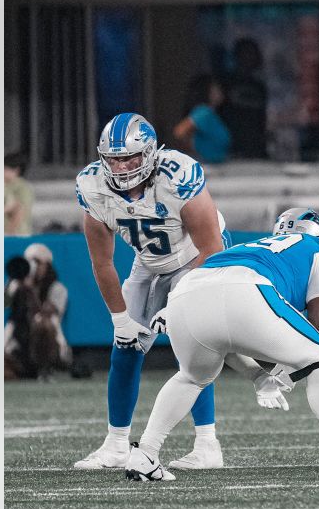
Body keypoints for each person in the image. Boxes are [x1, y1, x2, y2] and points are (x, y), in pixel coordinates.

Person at [124, 208, 319, 481]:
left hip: (186, 292)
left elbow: (230, 336)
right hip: (246, 288)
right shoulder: (316, 250)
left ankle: (145, 454)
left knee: (191, 377)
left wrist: (260, 375)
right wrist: (287, 365)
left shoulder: (254, 247)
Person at [73, 113, 230, 471]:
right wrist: (119, 320)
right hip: (149, 262)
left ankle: (207, 444)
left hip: (197, 258)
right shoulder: (92, 186)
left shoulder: (178, 175)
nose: (122, 166)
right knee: (125, 346)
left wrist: (178, 301)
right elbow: (103, 263)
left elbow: (213, 250)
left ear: (150, 152)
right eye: (113, 158)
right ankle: (115, 444)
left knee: (193, 348)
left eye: (130, 157)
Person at [24, 243, 73, 373]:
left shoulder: (57, 288)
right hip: (22, 336)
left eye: (38, 263)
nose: (35, 268)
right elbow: (6, 303)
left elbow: (46, 312)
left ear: (47, 265)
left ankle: (44, 366)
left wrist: (31, 290)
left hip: (49, 339)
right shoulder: (20, 286)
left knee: (42, 324)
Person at [220, 37, 269, 159]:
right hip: (232, 146)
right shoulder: (226, 83)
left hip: (255, 146)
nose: (250, 58)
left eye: (253, 53)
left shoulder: (259, 87)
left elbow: (261, 117)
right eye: (246, 53)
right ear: (237, 56)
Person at [173, 74, 232, 164]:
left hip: (216, 165)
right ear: (207, 91)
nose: (220, 91)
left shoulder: (212, 113)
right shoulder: (203, 112)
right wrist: (194, 147)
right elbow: (180, 131)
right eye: (216, 89)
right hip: (205, 166)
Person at [5, 153, 33, 235]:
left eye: (5, 169)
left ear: (16, 170)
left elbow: (21, 209)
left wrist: (10, 232)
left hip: (17, 234)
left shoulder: (23, 187)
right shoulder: (5, 185)